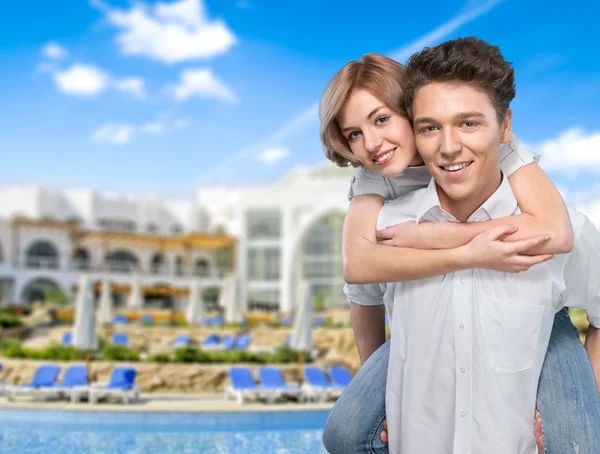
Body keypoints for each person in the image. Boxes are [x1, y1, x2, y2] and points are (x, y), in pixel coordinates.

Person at [319, 45, 600, 452]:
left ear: (503, 127)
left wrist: (578, 406)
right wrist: (382, 402)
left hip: (547, 323)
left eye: (467, 123)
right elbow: (359, 280)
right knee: (344, 433)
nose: (372, 143)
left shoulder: (532, 184)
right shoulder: (379, 207)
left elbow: (556, 232)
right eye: (430, 127)